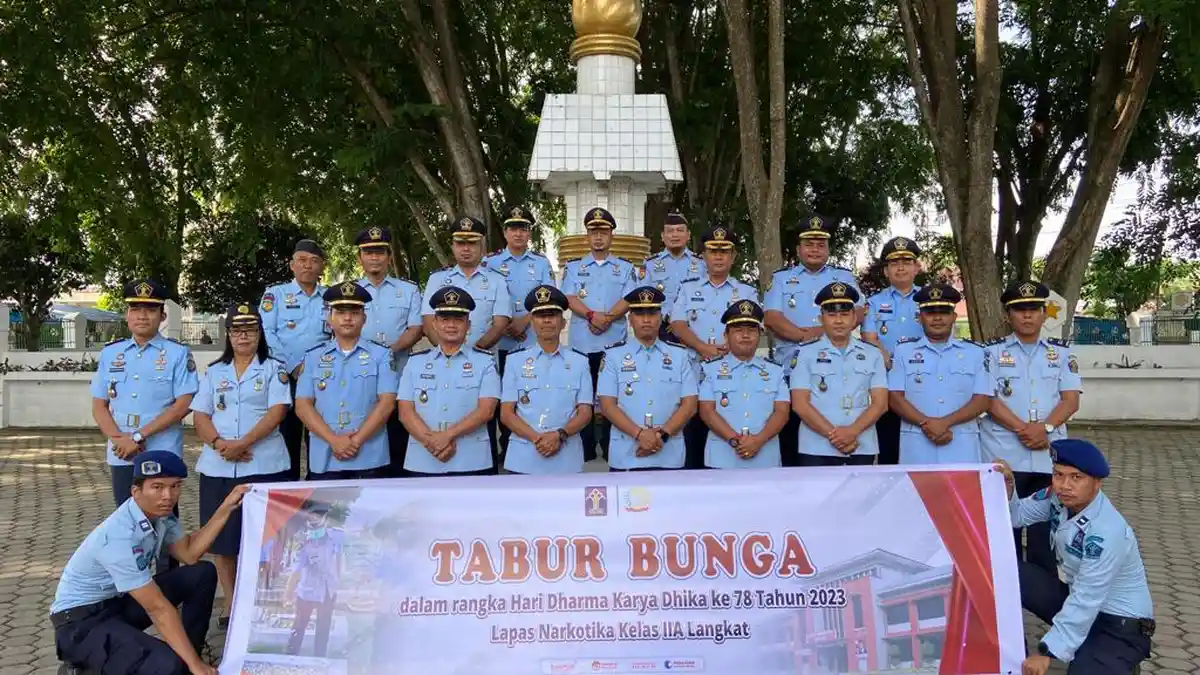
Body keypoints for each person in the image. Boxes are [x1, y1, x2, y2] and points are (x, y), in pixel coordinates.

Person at [50, 451, 246, 675]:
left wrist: (227, 507)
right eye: (157, 487)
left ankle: (191, 652)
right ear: (136, 491)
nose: (168, 496)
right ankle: (80, 669)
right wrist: (193, 665)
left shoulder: (162, 515)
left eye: (175, 486)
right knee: (169, 666)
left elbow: (190, 554)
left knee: (201, 573)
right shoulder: (118, 536)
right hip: (81, 626)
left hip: (117, 604)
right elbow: (157, 608)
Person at [994, 440, 1154, 675]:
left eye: (1076, 477)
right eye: (1058, 475)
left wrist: (1047, 653)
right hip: (1079, 601)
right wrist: (1007, 488)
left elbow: (1086, 599)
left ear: (1097, 483)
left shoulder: (1107, 531)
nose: (1064, 485)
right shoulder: (1057, 497)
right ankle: (1008, 650)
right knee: (1003, 570)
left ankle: (1117, 659)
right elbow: (1016, 516)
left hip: (1119, 625)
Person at [189, 303, 292, 627]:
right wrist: (221, 446)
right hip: (219, 466)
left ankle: (264, 599)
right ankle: (231, 603)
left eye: (249, 329)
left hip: (263, 463)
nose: (243, 335)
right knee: (223, 539)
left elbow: (277, 411)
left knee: (267, 538)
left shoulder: (274, 369)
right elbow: (201, 415)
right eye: (236, 330)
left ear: (259, 333)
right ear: (228, 334)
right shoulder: (215, 372)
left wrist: (243, 444)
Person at [90, 279, 198, 572]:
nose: (142, 315)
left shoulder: (177, 354)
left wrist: (137, 436)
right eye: (135, 309)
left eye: (150, 309)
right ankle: (131, 582)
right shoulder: (112, 354)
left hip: (161, 452)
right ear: (127, 314)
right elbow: (99, 405)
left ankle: (167, 584)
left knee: (164, 520)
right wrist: (119, 439)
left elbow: (183, 403)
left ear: (162, 315)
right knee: (127, 519)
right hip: (122, 453)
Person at [982, 280, 1082, 576]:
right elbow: (987, 400)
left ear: (1044, 314)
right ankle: (1004, 611)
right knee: (1002, 539)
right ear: (1008, 316)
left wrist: (1046, 428)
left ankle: (1045, 611)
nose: (1027, 316)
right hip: (1003, 456)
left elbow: (1070, 400)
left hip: (1047, 459)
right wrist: (1025, 429)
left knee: (1043, 543)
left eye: (1033, 309)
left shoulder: (1063, 354)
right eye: (1019, 310)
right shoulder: (990, 353)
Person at [763, 215, 863, 466]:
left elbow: (860, 310)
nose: (815, 249)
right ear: (798, 249)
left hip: (837, 370)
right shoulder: (782, 279)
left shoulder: (844, 278)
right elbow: (772, 317)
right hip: (791, 367)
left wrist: (824, 335)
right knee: (792, 444)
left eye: (821, 244)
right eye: (809, 244)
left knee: (833, 437)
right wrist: (809, 336)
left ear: (828, 249)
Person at [668, 224, 758, 469]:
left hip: (733, 377)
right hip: (694, 373)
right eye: (712, 251)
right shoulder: (688, 289)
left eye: (724, 251)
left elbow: (754, 329)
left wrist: (734, 346)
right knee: (693, 438)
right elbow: (677, 324)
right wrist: (701, 347)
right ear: (703, 256)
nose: (718, 257)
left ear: (733, 256)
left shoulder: (746, 291)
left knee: (727, 435)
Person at [294, 282, 399, 480]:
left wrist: (355, 441)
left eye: (355, 312)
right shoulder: (313, 357)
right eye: (341, 312)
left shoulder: (382, 355)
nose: (348, 318)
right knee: (324, 512)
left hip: (370, 455)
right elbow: (302, 406)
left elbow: (386, 404)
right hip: (325, 455)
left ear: (364, 318)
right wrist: (334, 441)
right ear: (330, 318)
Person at [562, 207, 640, 462]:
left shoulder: (625, 268)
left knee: (612, 398)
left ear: (611, 236)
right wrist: (592, 316)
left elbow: (630, 298)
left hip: (614, 344)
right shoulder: (574, 267)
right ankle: (584, 449)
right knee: (582, 396)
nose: (598, 237)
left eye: (603, 232)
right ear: (587, 236)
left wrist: (607, 318)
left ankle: (609, 448)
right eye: (593, 232)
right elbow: (569, 297)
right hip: (582, 344)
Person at [397, 286, 501, 476]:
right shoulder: (415, 362)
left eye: (458, 320)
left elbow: (486, 411)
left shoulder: (484, 362)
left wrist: (446, 436)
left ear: (468, 325)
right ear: (434, 323)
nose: (451, 325)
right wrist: (432, 442)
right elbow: (405, 412)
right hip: (423, 459)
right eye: (445, 319)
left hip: (471, 460)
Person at [887, 284, 991, 465]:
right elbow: (895, 397)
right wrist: (926, 423)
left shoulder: (975, 353)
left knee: (961, 493)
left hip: (961, 444)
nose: (937, 318)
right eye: (930, 313)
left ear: (954, 316)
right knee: (916, 493)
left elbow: (983, 399)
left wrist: (945, 422)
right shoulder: (903, 351)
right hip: (917, 445)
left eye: (943, 312)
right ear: (920, 317)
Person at [597, 287, 697, 471]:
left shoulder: (679, 355)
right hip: (626, 454)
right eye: (639, 313)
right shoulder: (613, 356)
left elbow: (690, 404)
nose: (646, 319)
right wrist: (640, 435)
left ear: (660, 317)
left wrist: (662, 435)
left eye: (651, 313)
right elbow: (607, 405)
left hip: (669, 454)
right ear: (630, 319)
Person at [482, 205, 556, 455]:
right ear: (505, 232)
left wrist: (524, 320)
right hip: (497, 344)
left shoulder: (541, 263)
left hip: (530, 343)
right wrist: (504, 325)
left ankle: (527, 443)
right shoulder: (489, 263)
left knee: (528, 397)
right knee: (497, 398)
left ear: (529, 234)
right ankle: (500, 449)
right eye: (513, 228)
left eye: (523, 229)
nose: (518, 234)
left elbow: (549, 299)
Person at [789, 282, 888, 467]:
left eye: (844, 314)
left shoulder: (872, 354)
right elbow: (800, 404)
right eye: (832, 315)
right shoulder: (804, 353)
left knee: (860, 496)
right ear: (821, 319)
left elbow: (881, 404)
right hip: (817, 447)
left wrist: (852, 432)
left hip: (861, 443)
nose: (838, 321)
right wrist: (835, 436)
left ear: (853, 318)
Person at [499, 285, 593, 474]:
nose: (547, 321)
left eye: (553, 315)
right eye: (541, 316)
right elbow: (507, 413)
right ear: (532, 322)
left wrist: (559, 436)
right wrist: (537, 439)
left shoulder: (580, 362)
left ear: (563, 322)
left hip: (566, 458)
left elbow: (585, 412)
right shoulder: (514, 361)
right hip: (524, 458)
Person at [354, 226, 424, 476]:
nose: (375, 257)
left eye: (380, 252)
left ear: (389, 257)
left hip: (399, 373)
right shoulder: (350, 293)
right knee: (365, 433)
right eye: (369, 252)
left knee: (398, 437)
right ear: (359, 257)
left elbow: (416, 327)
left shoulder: (408, 290)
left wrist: (388, 353)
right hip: (359, 375)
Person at [260, 239, 329, 480]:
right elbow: (267, 333)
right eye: (302, 260)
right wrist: (294, 366)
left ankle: (316, 488)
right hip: (285, 377)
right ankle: (286, 490)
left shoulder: (331, 297)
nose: (307, 266)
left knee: (319, 435)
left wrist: (314, 368)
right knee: (286, 435)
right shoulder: (275, 295)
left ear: (322, 267)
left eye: (314, 261)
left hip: (322, 378)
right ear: (291, 265)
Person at [697, 300, 790, 469]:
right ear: (726, 335)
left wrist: (758, 441)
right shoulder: (710, 369)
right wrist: (735, 441)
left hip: (766, 458)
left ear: (760, 334)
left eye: (751, 330)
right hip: (722, 459)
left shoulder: (775, 371)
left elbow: (782, 413)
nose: (745, 335)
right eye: (738, 330)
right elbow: (707, 412)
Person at [862, 236, 924, 465]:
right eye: (894, 263)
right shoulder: (875, 302)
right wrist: (892, 363)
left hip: (921, 380)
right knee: (889, 446)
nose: (900, 267)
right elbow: (869, 338)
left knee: (921, 441)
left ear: (917, 267)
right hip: (887, 381)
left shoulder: (928, 299)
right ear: (886, 271)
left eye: (907, 262)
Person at [422, 215, 511, 351]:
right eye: (460, 243)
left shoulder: (497, 280)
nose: (466, 249)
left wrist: (475, 352)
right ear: (452, 246)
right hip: (444, 362)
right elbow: (429, 323)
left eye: (471, 243)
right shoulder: (436, 280)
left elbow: (500, 324)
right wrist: (448, 351)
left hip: (484, 361)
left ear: (481, 246)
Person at [283, 502, 343, 658]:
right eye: (311, 517)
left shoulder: (336, 537)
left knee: (323, 628)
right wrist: (288, 594)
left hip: (328, 591)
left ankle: (319, 659)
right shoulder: (303, 544)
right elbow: (296, 572)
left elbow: (338, 559)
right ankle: (290, 657)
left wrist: (338, 582)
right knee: (299, 627)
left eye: (317, 516)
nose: (314, 519)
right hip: (307, 593)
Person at [643, 210, 706, 342]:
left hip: (695, 326)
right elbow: (644, 297)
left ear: (688, 235)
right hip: (661, 328)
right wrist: (666, 318)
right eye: (670, 231)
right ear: (662, 236)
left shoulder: (701, 264)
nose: (675, 235)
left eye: (680, 230)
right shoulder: (650, 264)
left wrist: (682, 321)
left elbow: (707, 295)